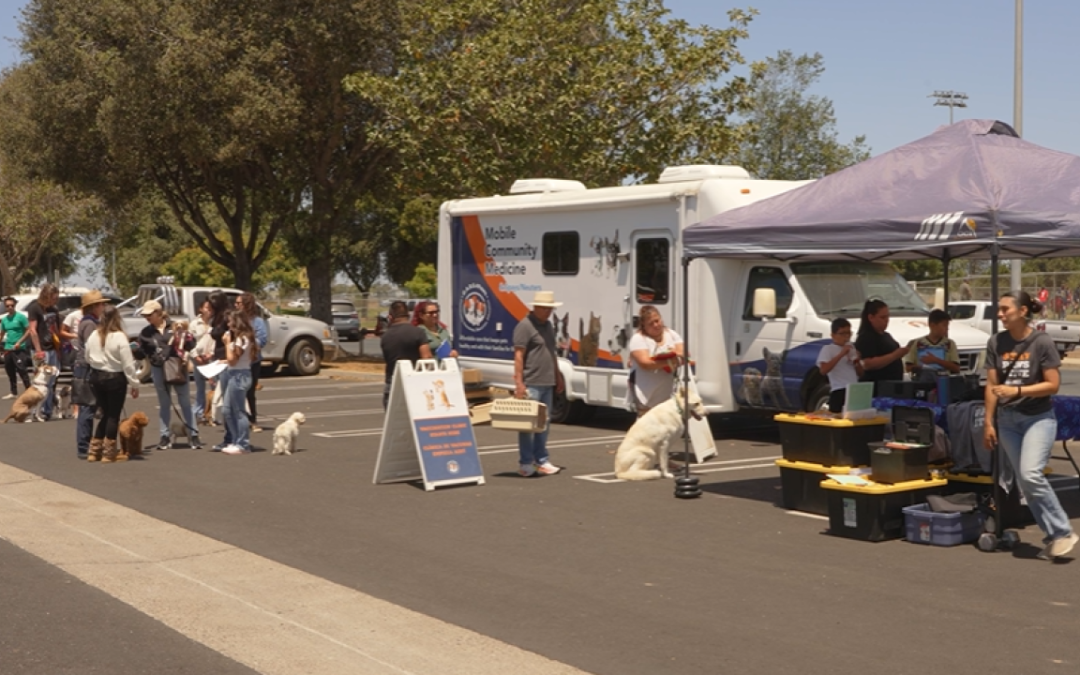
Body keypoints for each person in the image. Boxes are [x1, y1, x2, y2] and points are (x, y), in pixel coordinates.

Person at [984, 291, 1078, 561]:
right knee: (1026, 481)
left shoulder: (1041, 342)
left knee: (1031, 474)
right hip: (1007, 420)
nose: (1000, 314)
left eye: (1004, 309)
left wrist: (1017, 390)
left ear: (1023, 311)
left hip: (1038, 418)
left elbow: (1053, 384)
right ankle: (1054, 535)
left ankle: (1062, 531)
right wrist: (988, 422)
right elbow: (992, 386)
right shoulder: (996, 342)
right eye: (998, 310)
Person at [513, 290, 565, 477]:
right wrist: (519, 383)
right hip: (532, 382)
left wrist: (557, 375)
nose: (547, 311)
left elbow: (551, 352)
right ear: (534, 307)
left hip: (547, 381)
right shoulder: (525, 326)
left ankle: (541, 460)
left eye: (549, 308)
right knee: (528, 425)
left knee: (544, 424)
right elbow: (519, 355)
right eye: (544, 308)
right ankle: (526, 462)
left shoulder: (548, 326)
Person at [138, 300, 201, 450]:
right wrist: (136, 350)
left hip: (177, 367)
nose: (147, 317)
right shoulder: (146, 332)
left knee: (184, 401)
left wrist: (188, 338)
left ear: (159, 313)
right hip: (158, 368)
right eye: (145, 315)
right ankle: (164, 436)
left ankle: (194, 434)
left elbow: (191, 345)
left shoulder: (175, 326)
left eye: (150, 314)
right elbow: (142, 352)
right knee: (164, 403)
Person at [84, 305, 140, 463]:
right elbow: (128, 363)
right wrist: (134, 384)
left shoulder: (94, 334)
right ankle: (109, 452)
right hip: (114, 377)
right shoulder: (120, 336)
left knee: (105, 412)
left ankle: (94, 450)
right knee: (113, 415)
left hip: (96, 376)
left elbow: (87, 356)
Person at [72, 291, 109, 459]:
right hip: (86, 368)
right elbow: (91, 347)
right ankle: (83, 446)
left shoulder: (93, 322)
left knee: (91, 407)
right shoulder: (89, 324)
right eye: (101, 304)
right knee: (87, 407)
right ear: (94, 306)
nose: (104, 306)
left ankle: (88, 445)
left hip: (87, 366)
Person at [627, 305, 683, 415]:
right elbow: (645, 363)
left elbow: (682, 353)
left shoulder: (671, 334)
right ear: (643, 325)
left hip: (667, 389)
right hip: (645, 388)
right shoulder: (638, 338)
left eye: (657, 321)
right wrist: (668, 361)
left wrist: (673, 356)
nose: (656, 325)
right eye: (651, 324)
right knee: (647, 423)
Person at [380, 300, 432, 409]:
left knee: (395, 423)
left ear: (390, 317)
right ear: (408, 315)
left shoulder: (385, 337)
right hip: (414, 383)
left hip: (392, 384)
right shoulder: (418, 333)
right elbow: (427, 358)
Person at [220, 310, 257, 454]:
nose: (228, 324)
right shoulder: (240, 338)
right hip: (235, 373)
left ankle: (243, 444)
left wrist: (226, 343)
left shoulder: (242, 339)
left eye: (230, 321)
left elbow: (233, 360)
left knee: (239, 411)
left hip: (239, 376)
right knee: (227, 410)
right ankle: (235, 440)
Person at [854, 299, 909, 395]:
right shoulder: (866, 337)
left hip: (892, 386)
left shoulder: (886, 335)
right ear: (871, 317)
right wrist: (894, 355)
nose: (886, 321)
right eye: (882, 317)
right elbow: (867, 364)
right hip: (877, 388)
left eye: (888, 317)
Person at [25, 283, 62, 421]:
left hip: (52, 347)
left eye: (56, 298)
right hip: (40, 349)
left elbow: (56, 329)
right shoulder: (35, 308)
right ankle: (35, 410)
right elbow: (32, 330)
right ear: (45, 296)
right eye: (53, 298)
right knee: (40, 381)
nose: (55, 301)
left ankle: (47, 410)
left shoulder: (54, 309)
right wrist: (38, 350)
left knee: (51, 381)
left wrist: (59, 348)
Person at [817, 318, 863, 414]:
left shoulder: (851, 347)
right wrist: (841, 354)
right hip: (839, 389)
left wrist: (857, 361)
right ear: (833, 335)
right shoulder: (828, 349)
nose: (846, 337)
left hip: (854, 389)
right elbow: (823, 370)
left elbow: (860, 373)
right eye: (842, 334)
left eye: (849, 333)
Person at [236, 293, 267, 432]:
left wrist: (249, 346)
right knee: (236, 391)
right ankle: (238, 420)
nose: (236, 305)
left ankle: (252, 419)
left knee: (250, 391)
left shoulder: (257, 321)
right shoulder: (235, 320)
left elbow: (262, 339)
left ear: (247, 305)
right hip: (237, 361)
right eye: (236, 303)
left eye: (239, 303)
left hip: (252, 361)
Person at [903, 309, 961, 382]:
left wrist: (936, 360)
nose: (947, 329)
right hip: (921, 383)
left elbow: (956, 368)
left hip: (943, 383)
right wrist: (923, 368)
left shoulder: (950, 344)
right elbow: (908, 368)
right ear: (932, 325)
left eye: (947, 326)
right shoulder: (916, 343)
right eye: (944, 325)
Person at [190, 298, 215, 424]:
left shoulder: (214, 323)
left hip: (211, 358)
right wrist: (195, 356)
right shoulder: (194, 324)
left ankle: (213, 413)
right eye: (206, 307)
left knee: (214, 386)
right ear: (200, 309)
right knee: (200, 387)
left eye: (211, 308)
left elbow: (216, 341)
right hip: (198, 358)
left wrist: (211, 354)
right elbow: (189, 342)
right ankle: (198, 412)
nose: (209, 310)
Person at [1, 296, 31, 399]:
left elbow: (28, 330)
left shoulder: (21, 317)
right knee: (10, 370)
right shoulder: (4, 319)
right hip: (8, 348)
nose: (10, 307)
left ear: (15, 305)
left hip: (19, 348)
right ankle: (13, 392)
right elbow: (2, 333)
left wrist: (20, 342)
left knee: (22, 370)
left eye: (12, 305)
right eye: (7, 306)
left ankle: (28, 390)